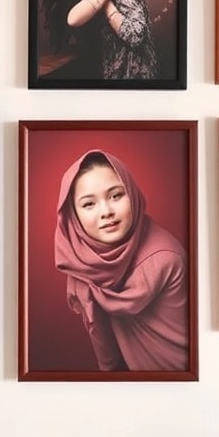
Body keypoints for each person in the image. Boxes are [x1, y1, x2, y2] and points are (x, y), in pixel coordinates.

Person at [55, 150, 189, 371]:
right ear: (73, 216)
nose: (107, 211)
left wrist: (85, 280)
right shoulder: (87, 265)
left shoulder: (165, 257)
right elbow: (107, 355)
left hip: (183, 381)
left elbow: (122, 304)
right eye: (89, 204)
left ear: (132, 195)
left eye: (116, 195)